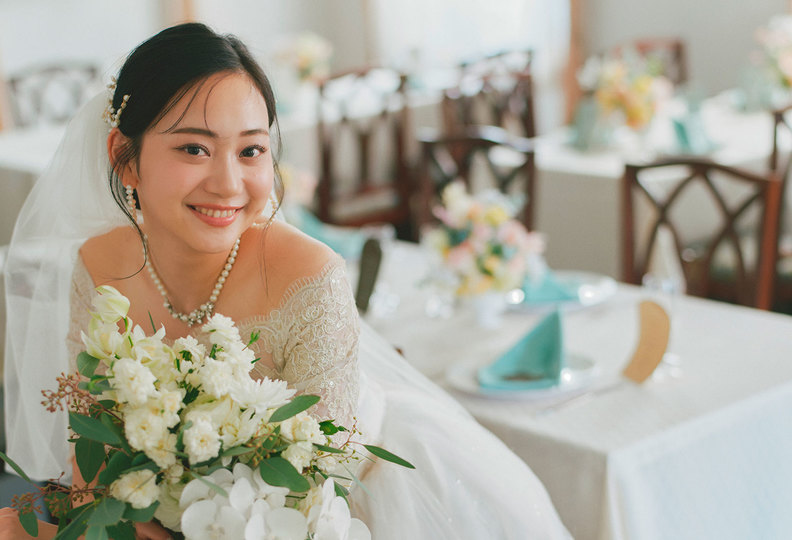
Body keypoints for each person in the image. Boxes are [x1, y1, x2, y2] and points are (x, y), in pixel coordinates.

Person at [1, 23, 570, 539]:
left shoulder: (310, 276)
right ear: (125, 159)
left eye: (251, 150)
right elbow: (93, 450)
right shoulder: (99, 267)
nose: (229, 184)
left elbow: (320, 483)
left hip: (337, 504)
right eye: (194, 148)